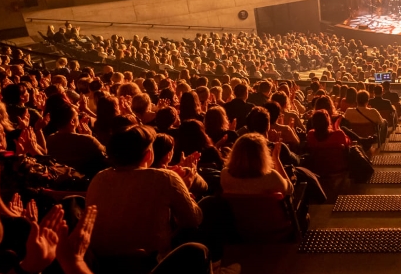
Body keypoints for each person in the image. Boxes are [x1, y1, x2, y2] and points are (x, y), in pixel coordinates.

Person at [86, 125, 203, 259]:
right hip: (149, 264)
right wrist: (185, 189)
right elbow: (194, 219)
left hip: (100, 262)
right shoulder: (165, 177)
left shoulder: (99, 178)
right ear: (148, 154)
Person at [44, 102, 108, 176]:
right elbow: (106, 153)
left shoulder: (50, 139)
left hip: (61, 179)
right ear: (72, 121)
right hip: (84, 179)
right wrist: (89, 137)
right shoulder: (88, 140)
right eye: (77, 116)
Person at [220, 133, 292, 196]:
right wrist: (276, 158)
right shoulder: (272, 177)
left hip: (237, 212)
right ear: (262, 155)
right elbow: (290, 189)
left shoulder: (225, 175)